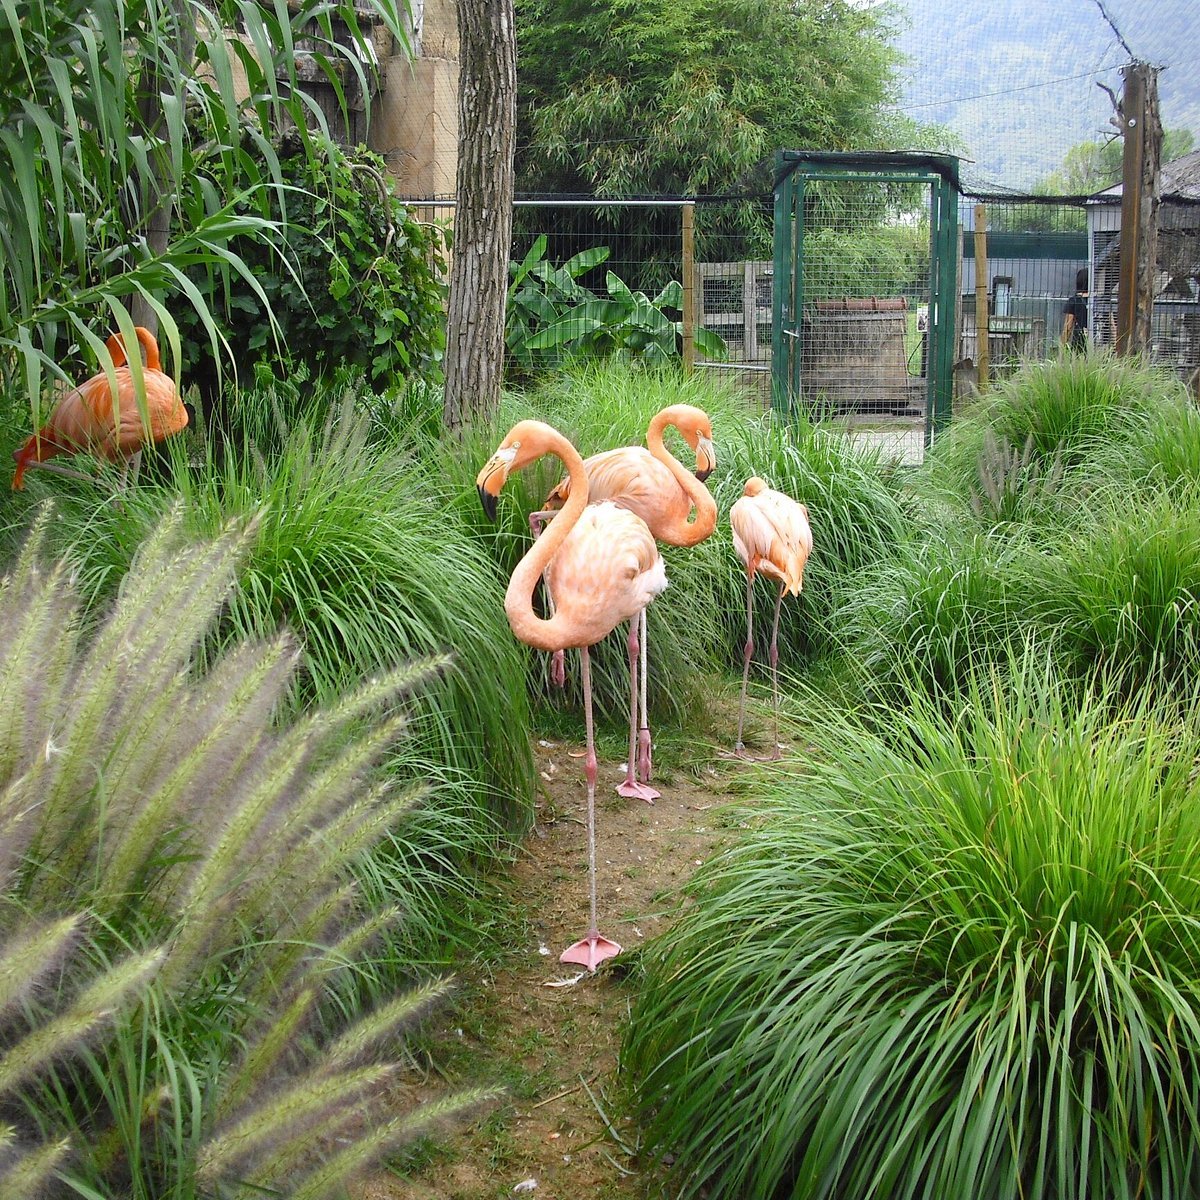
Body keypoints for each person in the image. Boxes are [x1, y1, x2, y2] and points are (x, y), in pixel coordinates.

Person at [1061, 267, 1089, 352]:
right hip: (1096, 342)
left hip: (1079, 342)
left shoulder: (1074, 301)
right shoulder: (1098, 301)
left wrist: (1062, 346)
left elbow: (1068, 327)